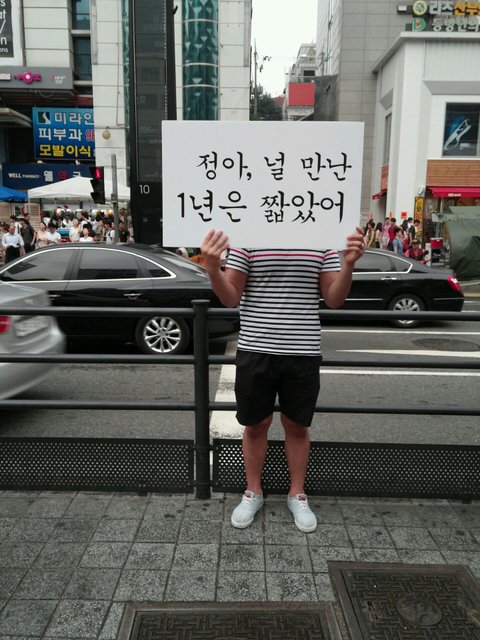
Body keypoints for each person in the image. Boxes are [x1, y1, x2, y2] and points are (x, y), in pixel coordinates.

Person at [200, 226, 365, 532]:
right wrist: (212, 268)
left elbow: (334, 299)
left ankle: (297, 493)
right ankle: (253, 490)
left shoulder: (321, 235)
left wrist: (349, 264)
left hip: (302, 350)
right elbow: (230, 297)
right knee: (255, 424)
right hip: (255, 348)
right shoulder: (249, 233)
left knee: (297, 425)